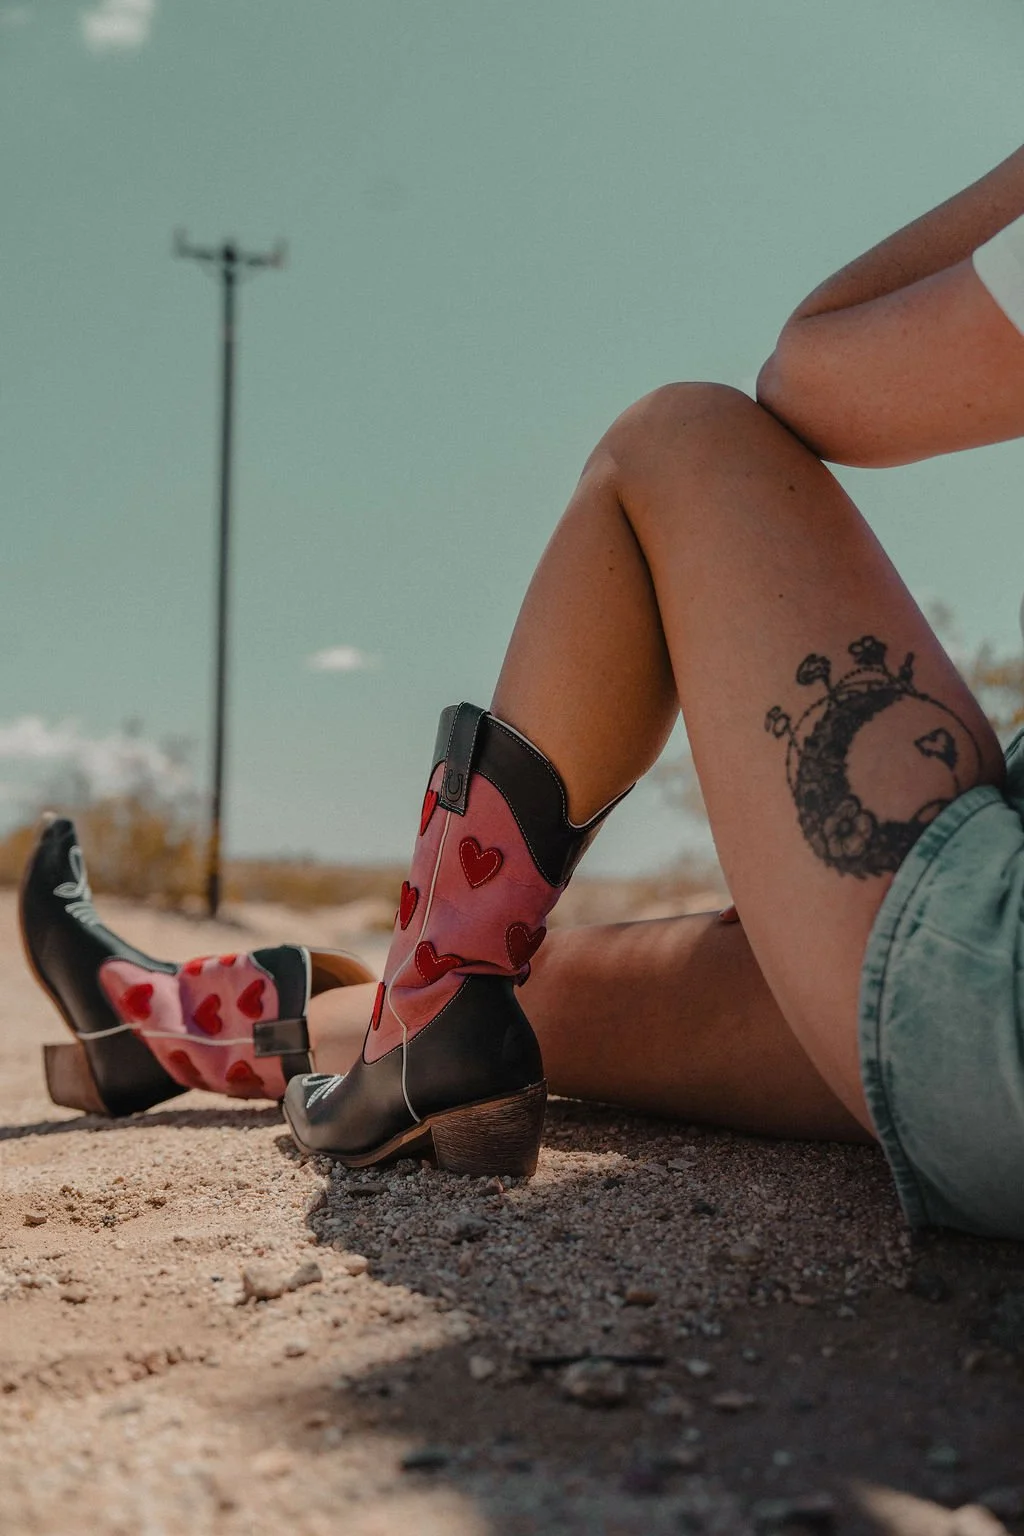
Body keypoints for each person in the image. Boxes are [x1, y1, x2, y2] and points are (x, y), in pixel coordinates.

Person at [21, 143, 1024, 1239]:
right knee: (520, 1001)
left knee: (675, 438)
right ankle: (151, 1028)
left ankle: (416, 1020)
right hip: (973, 1021)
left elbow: (813, 369)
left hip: (985, 994)